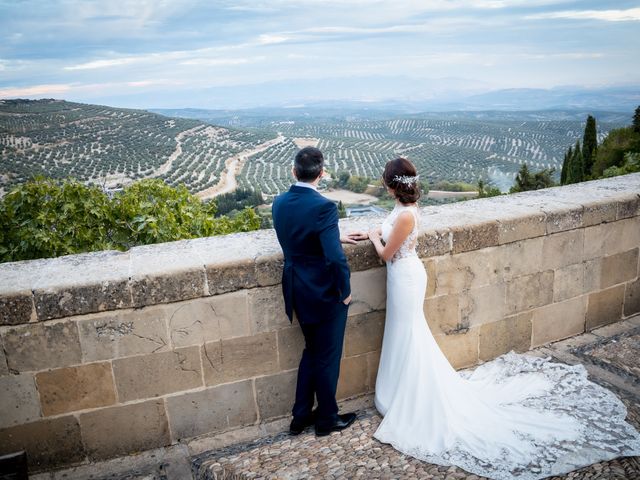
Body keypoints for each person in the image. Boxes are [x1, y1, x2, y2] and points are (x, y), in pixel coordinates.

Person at [361, 157, 640, 479]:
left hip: (406, 276)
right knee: (402, 333)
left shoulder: (408, 215)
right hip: (399, 277)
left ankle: (413, 395)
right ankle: (397, 391)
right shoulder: (402, 209)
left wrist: (372, 237)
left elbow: (386, 253)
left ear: (389, 184)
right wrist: (372, 232)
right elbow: (390, 241)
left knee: (410, 333)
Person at [272, 146, 362, 436]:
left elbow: (301, 238)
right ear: (321, 174)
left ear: (293, 171)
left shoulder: (279, 202)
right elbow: (335, 259)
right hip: (323, 293)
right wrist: (345, 291)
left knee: (311, 352)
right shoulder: (323, 207)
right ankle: (326, 419)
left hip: (296, 289)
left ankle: (300, 417)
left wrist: (332, 236)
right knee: (327, 358)